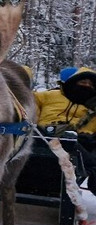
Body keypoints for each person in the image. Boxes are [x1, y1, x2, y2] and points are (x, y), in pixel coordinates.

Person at [35, 66, 96, 194]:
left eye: (90, 84)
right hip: (43, 134)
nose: (86, 86)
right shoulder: (47, 95)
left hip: (78, 140)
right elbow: (28, 103)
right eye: (83, 82)